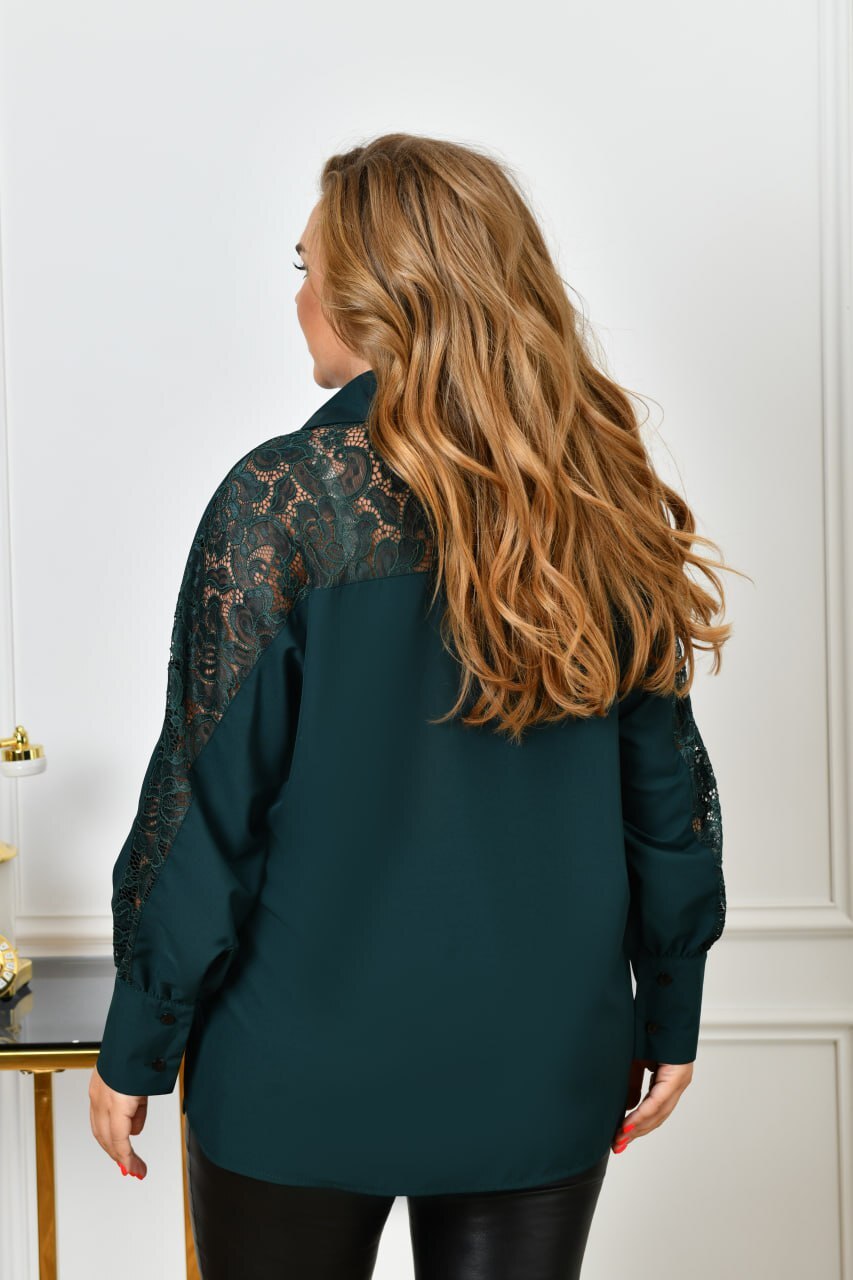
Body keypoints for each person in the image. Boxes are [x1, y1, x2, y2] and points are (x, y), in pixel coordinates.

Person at [89, 132, 739, 1279]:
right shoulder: (597, 499)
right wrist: (671, 1005)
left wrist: (137, 1037)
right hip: (541, 1065)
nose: (297, 297)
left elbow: (204, 805)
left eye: (307, 267)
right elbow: (667, 798)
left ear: (374, 291)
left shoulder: (283, 501)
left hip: (296, 1068)